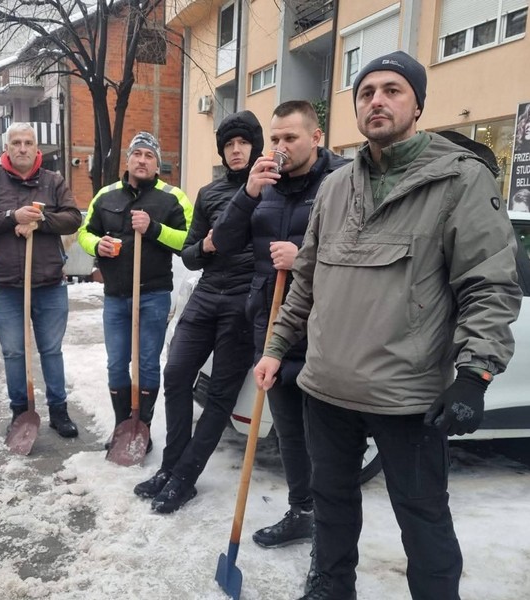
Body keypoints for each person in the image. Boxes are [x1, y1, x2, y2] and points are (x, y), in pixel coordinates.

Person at [254, 51, 522, 600]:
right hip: (326, 389)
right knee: (330, 507)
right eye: (366, 90)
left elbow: (489, 285)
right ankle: (330, 587)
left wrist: (474, 373)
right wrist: (278, 346)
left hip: (408, 395)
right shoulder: (334, 187)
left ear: (418, 103)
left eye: (393, 89)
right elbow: (305, 280)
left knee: (422, 519)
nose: (377, 99)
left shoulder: (459, 182)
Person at [212, 101, 348, 549]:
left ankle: (331, 528)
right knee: (288, 429)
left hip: (327, 330)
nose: (280, 147)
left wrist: (304, 256)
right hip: (270, 322)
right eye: (274, 139)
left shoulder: (344, 181)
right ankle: (301, 511)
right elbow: (225, 243)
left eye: (290, 138)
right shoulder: (262, 184)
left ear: (316, 137)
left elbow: (362, 253)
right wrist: (247, 193)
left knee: (327, 437)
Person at [131, 111, 262, 513]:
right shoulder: (208, 193)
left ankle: (185, 476)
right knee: (176, 375)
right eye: (229, 144)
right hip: (207, 294)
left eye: (242, 143)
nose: (236, 150)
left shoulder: (273, 190)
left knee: (221, 396)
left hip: (243, 301)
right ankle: (170, 467)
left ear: (254, 146)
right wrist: (203, 248)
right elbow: (188, 255)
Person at [77, 131, 193, 453]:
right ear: (128, 160)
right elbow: (84, 232)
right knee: (116, 364)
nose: (142, 160)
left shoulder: (173, 198)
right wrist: (96, 245)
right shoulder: (106, 196)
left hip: (153, 296)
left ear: (157, 165)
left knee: (146, 364)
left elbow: (190, 242)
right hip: (116, 296)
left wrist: (154, 228)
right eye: (137, 154)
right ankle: (122, 426)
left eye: (150, 156)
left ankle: (142, 426)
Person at [0, 122, 83, 438]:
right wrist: (11, 217)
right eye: (16, 142)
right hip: (7, 286)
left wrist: (41, 220)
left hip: (48, 284)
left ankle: (59, 411)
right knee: (14, 352)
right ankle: (20, 412)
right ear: (7, 148)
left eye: (28, 142)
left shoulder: (53, 181)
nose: (22, 148)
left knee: (51, 350)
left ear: (36, 148)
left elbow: (73, 217)